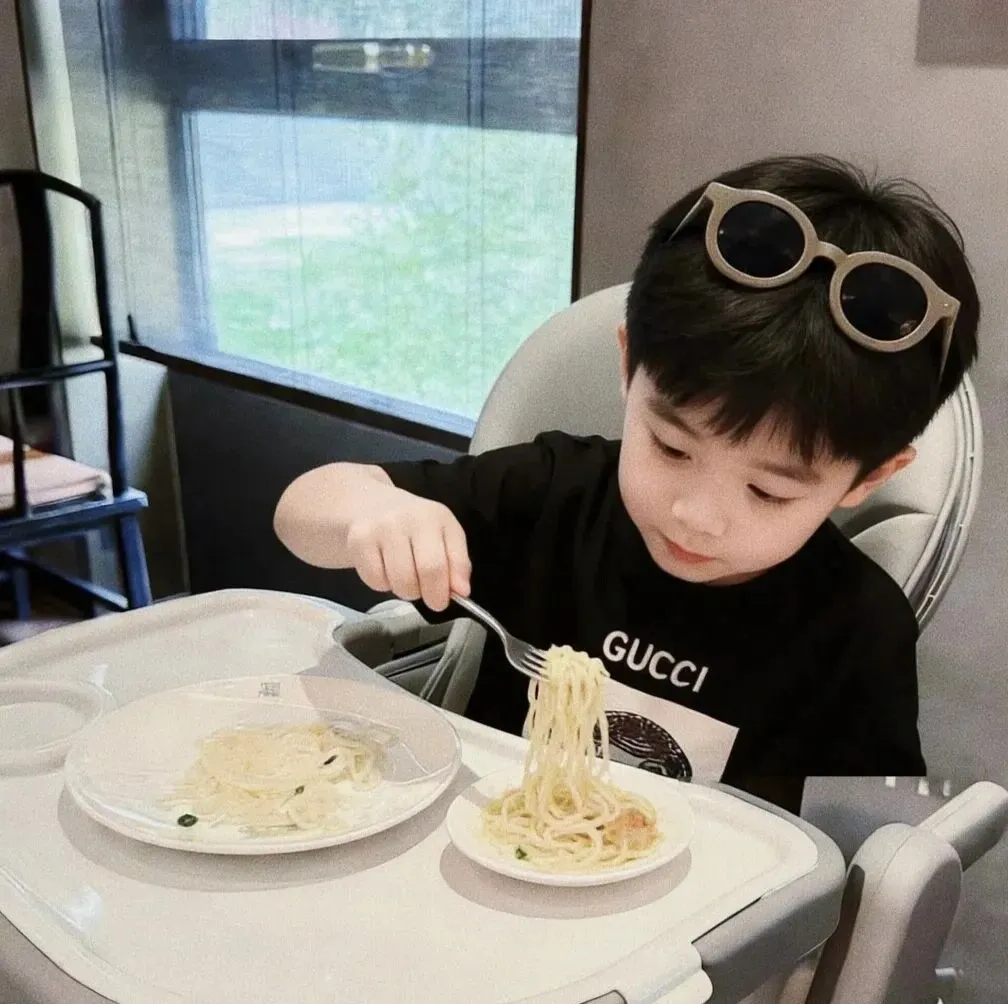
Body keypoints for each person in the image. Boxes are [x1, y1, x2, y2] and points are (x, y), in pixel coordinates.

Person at [273, 154, 980, 813]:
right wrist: (372, 512)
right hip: (482, 836)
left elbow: (850, 836)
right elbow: (301, 510)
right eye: (671, 447)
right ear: (627, 366)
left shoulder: (856, 632)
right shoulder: (555, 495)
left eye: (769, 492)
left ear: (869, 478)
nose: (697, 515)